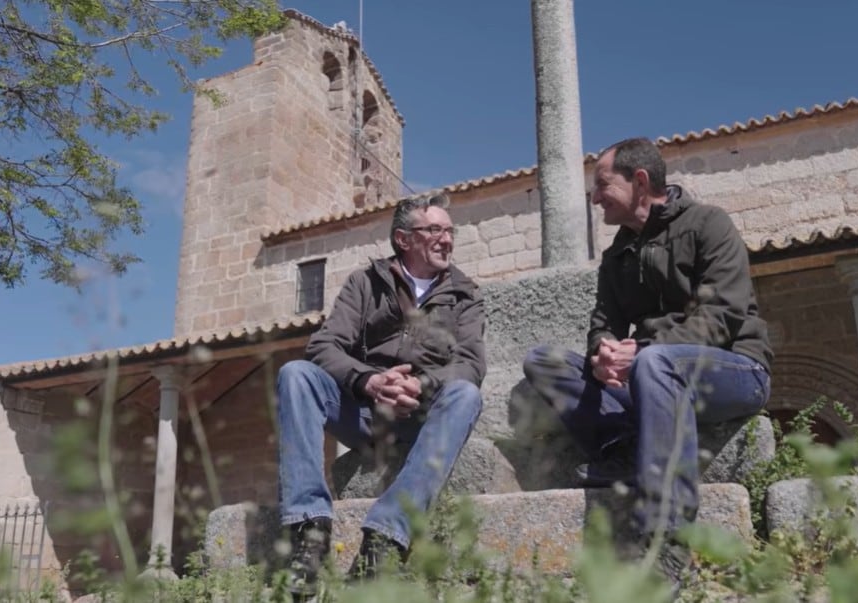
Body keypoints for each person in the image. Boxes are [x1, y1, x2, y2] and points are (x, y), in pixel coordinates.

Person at [522, 137, 772, 591]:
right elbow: (603, 323)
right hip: (654, 373)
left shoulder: (708, 224)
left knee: (656, 362)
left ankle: (669, 543)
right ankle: (624, 450)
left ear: (639, 182)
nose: (595, 197)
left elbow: (724, 316)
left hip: (735, 369)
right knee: (543, 361)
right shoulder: (617, 256)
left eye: (602, 185)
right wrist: (603, 355)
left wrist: (640, 350)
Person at [275, 193, 486, 599]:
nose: (447, 239)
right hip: (366, 414)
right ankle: (309, 531)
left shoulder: (465, 294)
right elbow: (324, 346)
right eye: (436, 230)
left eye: (450, 231)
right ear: (404, 239)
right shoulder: (365, 282)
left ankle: (386, 538)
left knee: (465, 394)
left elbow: (471, 363)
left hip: (421, 418)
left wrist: (419, 386)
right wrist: (369, 381)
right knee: (296, 374)